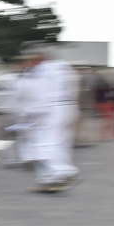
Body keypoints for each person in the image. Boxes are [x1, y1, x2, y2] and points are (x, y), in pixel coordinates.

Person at [21, 47, 80, 192]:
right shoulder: (64, 68)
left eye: (30, 60)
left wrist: (32, 114)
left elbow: (40, 94)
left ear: (38, 59)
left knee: (43, 144)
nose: (27, 63)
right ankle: (49, 180)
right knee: (60, 144)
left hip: (52, 109)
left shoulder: (42, 71)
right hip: (69, 106)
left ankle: (64, 172)